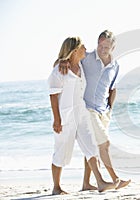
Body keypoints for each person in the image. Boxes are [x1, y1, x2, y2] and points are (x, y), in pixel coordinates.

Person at [60, 30, 130, 190]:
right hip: (87, 108)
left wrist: (110, 109)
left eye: (107, 47)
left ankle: (86, 183)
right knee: (104, 144)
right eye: (101, 45)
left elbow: (113, 88)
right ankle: (115, 179)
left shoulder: (115, 66)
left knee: (91, 146)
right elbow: (70, 61)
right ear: (97, 42)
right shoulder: (87, 58)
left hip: (103, 112)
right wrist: (63, 61)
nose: (103, 49)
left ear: (113, 47)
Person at [48, 36, 117, 195]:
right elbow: (53, 95)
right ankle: (56, 187)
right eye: (82, 46)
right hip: (66, 118)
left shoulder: (81, 65)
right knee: (61, 152)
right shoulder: (60, 70)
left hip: (82, 115)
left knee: (92, 147)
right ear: (74, 50)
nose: (85, 48)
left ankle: (99, 182)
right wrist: (57, 119)